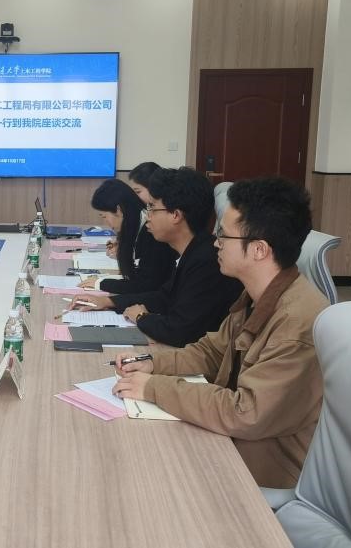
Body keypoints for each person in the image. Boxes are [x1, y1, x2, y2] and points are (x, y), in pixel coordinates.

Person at [112, 177, 328, 488]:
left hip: (261, 473)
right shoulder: (256, 297)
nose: (215, 243)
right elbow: (211, 352)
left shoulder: (296, 323)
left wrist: (154, 388)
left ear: (259, 250)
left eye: (223, 235)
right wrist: (152, 363)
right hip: (230, 445)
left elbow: (245, 412)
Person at [71, 167, 242, 347]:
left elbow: (180, 330)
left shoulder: (207, 261)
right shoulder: (193, 251)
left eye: (152, 207)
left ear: (175, 215)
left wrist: (141, 317)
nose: (148, 216)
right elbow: (163, 297)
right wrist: (109, 301)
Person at [81, 179, 177, 294]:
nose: (106, 222)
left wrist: (101, 283)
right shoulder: (134, 224)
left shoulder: (152, 233)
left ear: (119, 210)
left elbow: (146, 285)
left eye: (104, 216)